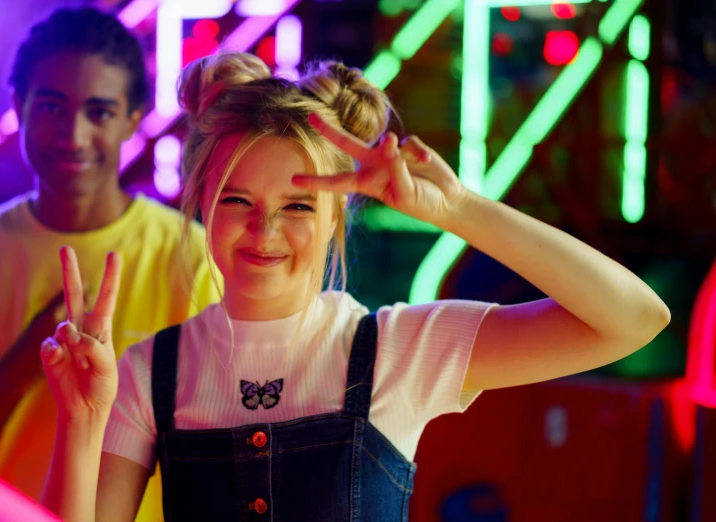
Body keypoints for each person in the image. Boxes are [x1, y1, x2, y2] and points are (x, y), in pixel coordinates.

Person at [38, 52, 670, 522]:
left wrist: (456, 208)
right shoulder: (150, 370)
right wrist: (82, 420)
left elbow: (633, 319)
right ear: (203, 202)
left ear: (338, 214)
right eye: (238, 200)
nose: (266, 230)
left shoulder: (399, 347)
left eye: (299, 206)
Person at [0, 6, 218, 520]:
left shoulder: (187, 254)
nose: (73, 135)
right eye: (51, 107)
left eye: (100, 112)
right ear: (19, 107)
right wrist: (26, 361)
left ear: (134, 116)